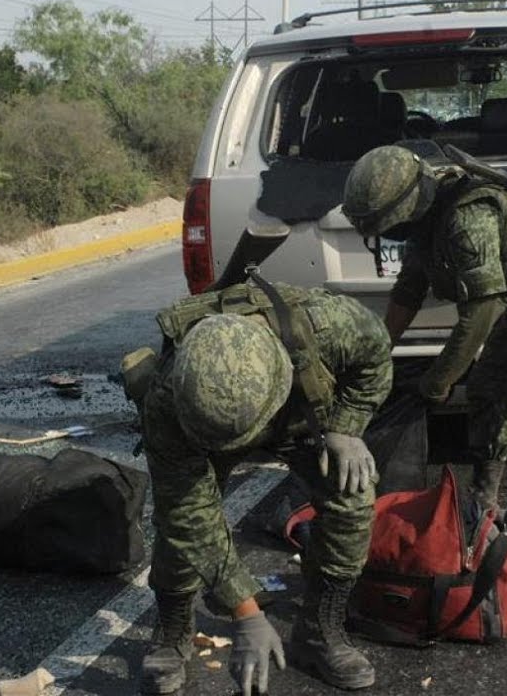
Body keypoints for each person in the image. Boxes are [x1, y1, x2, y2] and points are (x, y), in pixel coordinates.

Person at [340, 144, 507, 589]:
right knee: (489, 390)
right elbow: (409, 290)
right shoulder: (425, 224)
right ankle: (483, 508)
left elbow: (481, 310)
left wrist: (439, 380)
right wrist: (376, 354)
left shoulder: (467, 218)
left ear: (408, 204)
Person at [120, 277, 393, 695]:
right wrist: (246, 613)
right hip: (202, 435)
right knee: (180, 532)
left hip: (299, 418)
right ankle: (173, 629)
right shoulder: (167, 399)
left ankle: (321, 631)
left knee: (353, 496)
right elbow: (190, 517)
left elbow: (377, 360)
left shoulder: (328, 327)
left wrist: (345, 428)